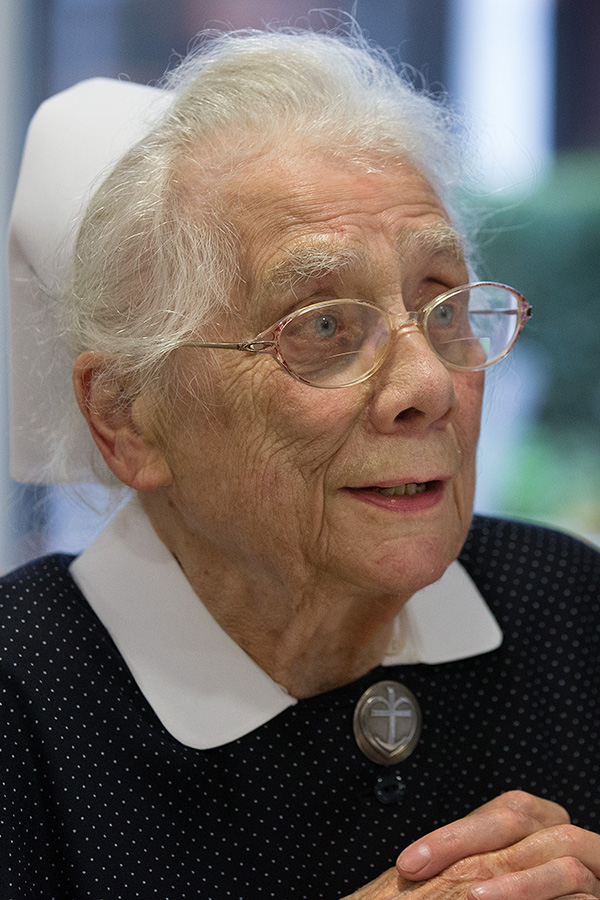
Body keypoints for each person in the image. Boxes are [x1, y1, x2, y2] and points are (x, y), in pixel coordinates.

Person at [3, 26, 599, 900]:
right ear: (127, 416)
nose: (429, 384)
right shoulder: (29, 696)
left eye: (444, 309)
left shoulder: (565, 605)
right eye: (322, 326)